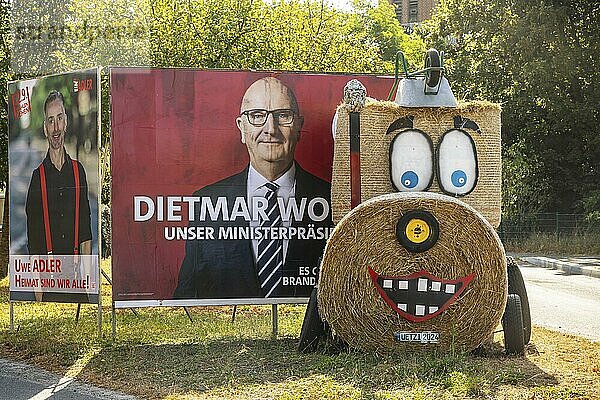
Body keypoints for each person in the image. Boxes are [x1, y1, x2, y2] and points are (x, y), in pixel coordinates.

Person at [173, 77, 332, 299]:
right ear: (242, 128)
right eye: (257, 116)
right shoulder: (205, 203)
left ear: (299, 127)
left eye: (283, 115)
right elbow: (187, 296)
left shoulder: (333, 200)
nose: (270, 129)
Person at [26, 90, 92, 256]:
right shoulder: (37, 178)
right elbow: (33, 243)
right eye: (50, 120)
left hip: (75, 277)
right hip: (48, 277)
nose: (56, 128)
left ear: (66, 122)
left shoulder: (78, 172)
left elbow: (85, 233)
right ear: (45, 128)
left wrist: (86, 279)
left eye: (60, 118)